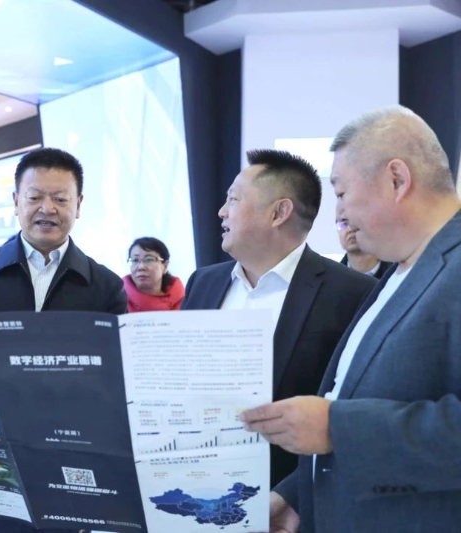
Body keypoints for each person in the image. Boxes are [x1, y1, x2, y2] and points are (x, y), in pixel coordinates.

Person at [243, 106, 461, 533]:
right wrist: (296, 498)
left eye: (341, 193)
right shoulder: (398, 271)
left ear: (396, 179)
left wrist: (336, 428)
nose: (338, 214)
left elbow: (341, 421)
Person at [0, 147, 127, 533]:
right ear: (15, 201)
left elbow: (112, 380)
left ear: (79, 205)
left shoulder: (104, 286)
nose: (48, 208)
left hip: (66, 459)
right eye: (35, 197)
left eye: (60, 198)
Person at [182, 149, 375, 488]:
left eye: (234, 199)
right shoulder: (203, 282)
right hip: (194, 483)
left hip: (289, 497)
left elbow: (353, 411)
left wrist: (292, 496)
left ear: (279, 212)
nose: (222, 211)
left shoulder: (351, 293)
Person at [123, 236, 185, 312]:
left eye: (149, 259)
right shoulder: (118, 301)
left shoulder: (185, 303)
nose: (141, 267)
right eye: (135, 260)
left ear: (165, 266)